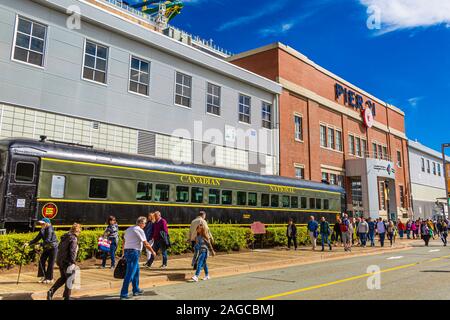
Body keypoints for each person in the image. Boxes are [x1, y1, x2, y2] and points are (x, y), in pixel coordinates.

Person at [120, 217, 156, 300]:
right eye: (145, 223)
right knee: (130, 273)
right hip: (134, 252)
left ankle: (136, 290)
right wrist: (153, 251)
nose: (145, 225)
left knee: (136, 271)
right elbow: (146, 243)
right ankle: (123, 293)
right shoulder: (139, 230)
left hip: (127, 251)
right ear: (141, 223)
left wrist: (123, 253)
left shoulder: (129, 229)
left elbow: (124, 242)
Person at [47, 223, 81, 300]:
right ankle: (67, 297)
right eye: (79, 232)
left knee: (63, 278)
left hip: (60, 261)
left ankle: (50, 292)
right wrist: (73, 262)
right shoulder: (73, 239)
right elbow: (72, 251)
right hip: (68, 262)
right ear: (77, 231)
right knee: (70, 280)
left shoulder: (65, 237)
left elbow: (60, 248)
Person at [25, 218, 58, 284]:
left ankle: (50, 278)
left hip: (53, 248)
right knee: (41, 261)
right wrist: (28, 243)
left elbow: (48, 240)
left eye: (43, 223)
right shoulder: (42, 230)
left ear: (47, 223)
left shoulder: (50, 229)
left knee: (50, 263)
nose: (41, 224)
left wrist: (40, 245)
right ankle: (43, 276)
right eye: (41, 223)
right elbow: (36, 239)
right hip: (46, 247)